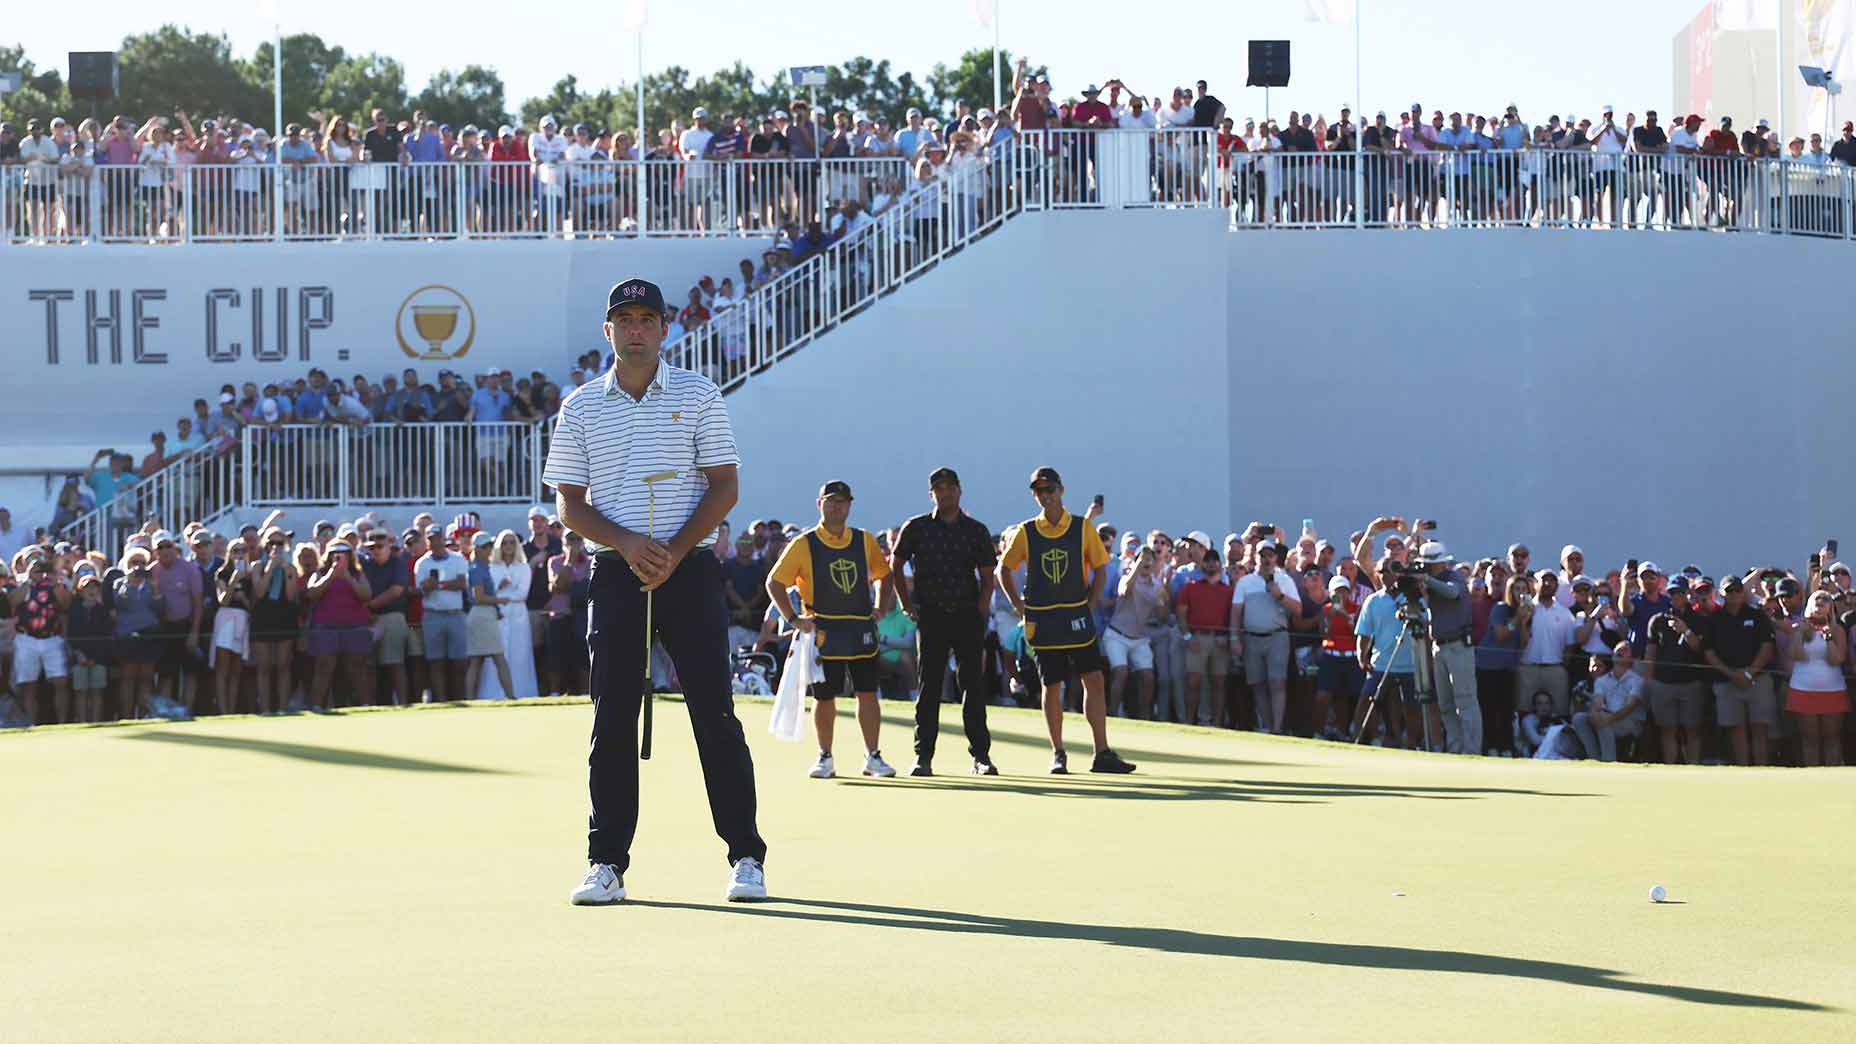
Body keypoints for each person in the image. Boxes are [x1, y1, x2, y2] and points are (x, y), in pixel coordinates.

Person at [547, 277, 766, 905]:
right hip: (617, 572)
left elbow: (725, 486)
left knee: (714, 715)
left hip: (689, 568)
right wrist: (627, 545)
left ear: (665, 329)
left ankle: (747, 855)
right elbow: (569, 504)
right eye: (626, 319)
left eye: (648, 318)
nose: (637, 328)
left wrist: (670, 550)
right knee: (611, 718)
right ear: (608, 330)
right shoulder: (582, 407)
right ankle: (606, 862)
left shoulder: (699, 394)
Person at [995, 467, 1137, 774]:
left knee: (1094, 680)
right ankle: (1058, 753)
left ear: (1061, 490)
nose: (1044, 496)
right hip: (1044, 620)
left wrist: (1091, 602)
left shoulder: (1081, 527)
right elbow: (1003, 569)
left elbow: (1100, 567)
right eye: (1038, 491)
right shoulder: (1027, 531)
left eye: (1049, 489)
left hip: (1076, 617)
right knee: (1052, 684)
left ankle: (1101, 752)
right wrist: (1018, 605)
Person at [766, 480, 899, 780]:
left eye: (842, 502)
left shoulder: (863, 540)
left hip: (860, 629)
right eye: (831, 501)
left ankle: (873, 756)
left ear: (850, 505)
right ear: (819, 504)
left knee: (867, 693)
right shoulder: (804, 543)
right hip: (823, 631)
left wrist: (879, 608)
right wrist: (793, 619)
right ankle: (825, 756)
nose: (837, 507)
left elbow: (885, 575)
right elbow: (775, 583)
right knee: (825, 697)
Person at [889, 467, 999, 776]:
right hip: (932, 616)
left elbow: (988, 577)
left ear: (959, 491)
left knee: (972, 687)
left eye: (950, 487)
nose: (945, 493)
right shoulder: (917, 528)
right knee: (930, 687)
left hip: (967, 616)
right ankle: (923, 756)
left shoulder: (975, 530)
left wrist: (979, 611)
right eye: (939, 488)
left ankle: (981, 756)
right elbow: (895, 564)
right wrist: (905, 604)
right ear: (931, 494)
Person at [1702, 575, 1778, 765]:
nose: (1734, 594)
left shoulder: (1757, 615)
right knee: (1736, 728)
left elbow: (1767, 647)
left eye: (1737, 590)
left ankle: (1762, 769)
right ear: (1721, 593)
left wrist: (1748, 673)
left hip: (1757, 678)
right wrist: (1732, 674)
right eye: (1729, 591)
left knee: (1760, 727)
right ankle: (1743, 769)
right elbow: (1709, 652)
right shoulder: (1714, 619)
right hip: (1727, 680)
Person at [1415, 541, 1480, 756]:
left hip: (1459, 646)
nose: (1427, 567)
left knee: (1466, 701)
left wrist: (1428, 581)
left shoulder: (1454, 577)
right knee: (1445, 704)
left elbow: (1452, 593)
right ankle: (1455, 749)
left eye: (1430, 564)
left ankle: (1471, 750)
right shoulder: (1431, 583)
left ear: (1441, 563)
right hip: (1439, 648)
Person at [1230, 540, 1300, 734]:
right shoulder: (1246, 582)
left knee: (1277, 682)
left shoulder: (1284, 580)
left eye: (1270, 555)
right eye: (1262, 555)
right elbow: (1236, 613)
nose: (1266, 559)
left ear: (1275, 558)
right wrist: (1235, 640)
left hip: (1277, 637)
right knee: (1258, 684)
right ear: (1256, 557)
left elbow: (1298, 610)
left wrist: (1279, 596)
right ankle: (1269, 727)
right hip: (1251, 639)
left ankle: (1277, 728)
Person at [1643, 576, 1707, 765]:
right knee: (1667, 729)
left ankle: (1693, 767)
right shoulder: (1658, 620)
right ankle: (1671, 767)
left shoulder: (1698, 620)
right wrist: (1649, 680)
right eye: (1672, 593)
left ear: (1688, 594)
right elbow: (1651, 652)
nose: (1676, 597)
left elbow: (1700, 649)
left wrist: (1685, 631)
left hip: (1691, 683)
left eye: (1680, 593)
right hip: (1663, 683)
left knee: (1692, 729)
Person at [305, 539, 374, 709]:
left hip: (354, 627)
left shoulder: (357, 574)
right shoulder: (320, 573)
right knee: (324, 668)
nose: (339, 557)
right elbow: (311, 593)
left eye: (344, 553)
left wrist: (348, 578)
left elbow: (366, 595)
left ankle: (366, 704)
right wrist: (331, 576)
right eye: (335, 553)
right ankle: (317, 706)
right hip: (326, 628)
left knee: (357, 668)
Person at [1784, 590, 1848, 766]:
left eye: (1825, 600)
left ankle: (1833, 777)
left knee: (1832, 738)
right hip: (1803, 689)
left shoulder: (1837, 630)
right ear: (1809, 605)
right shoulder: (1800, 628)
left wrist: (1828, 638)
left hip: (1832, 690)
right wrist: (1799, 635)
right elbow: (1795, 655)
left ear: (1830, 607)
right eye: (1816, 600)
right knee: (1809, 739)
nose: (1820, 602)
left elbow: (1837, 659)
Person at [9, 557, 72, 725]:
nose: (40, 572)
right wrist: (30, 580)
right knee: (28, 684)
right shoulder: (22, 583)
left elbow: (66, 604)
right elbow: (12, 602)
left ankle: (62, 723)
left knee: (60, 681)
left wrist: (54, 580)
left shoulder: (55, 584)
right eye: (36, 568)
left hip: (52, 638)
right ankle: (31, 723)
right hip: (26, 638)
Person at [479, 529, 539, 699]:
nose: (508, 546)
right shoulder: (492, 567)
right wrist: (500, 588)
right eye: (505, 542)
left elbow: (522, 594)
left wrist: (502, 594)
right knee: (497, 655)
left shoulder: (523, 567)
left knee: (520, 655)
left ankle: (521, 692)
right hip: (498, 615)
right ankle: (494, 694)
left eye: (512, 542)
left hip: (518, 615)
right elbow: (489, 594)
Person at [248, 527, 300, 715]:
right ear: (265, 545)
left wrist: (286, 573)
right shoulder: (257, 566)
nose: (275, 547)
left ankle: (283, 708)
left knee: (283, 665)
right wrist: (270, 569)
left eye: (280, 543)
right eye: (272, 543)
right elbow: (260, 592)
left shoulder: (291, 567)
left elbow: (291, 595)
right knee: (263, 666)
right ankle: (265, 709)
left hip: (284, 616)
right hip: (263, 616)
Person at [416, 530, 471, 702]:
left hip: (455, 614)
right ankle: (441, 700)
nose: (435, 543)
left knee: (459, 662)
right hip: (433, 615)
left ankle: (460, 698)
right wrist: (436, 586)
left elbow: (461, 584)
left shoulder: (458, 559)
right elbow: (422, 588)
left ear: (443, 539)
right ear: (427, 542)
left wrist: (438, 585)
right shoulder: (422, 563)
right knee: (435, 661)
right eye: (431, 540)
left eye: (437, 539)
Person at [1571, 642, 1644, 762]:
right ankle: (1594, 760)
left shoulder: (1637, 681)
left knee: (1604, 724)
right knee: (1579, 718)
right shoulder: (1602, 681)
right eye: (1618, 650)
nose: (1620, 652)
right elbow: (1597, 702)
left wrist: (1608, 718)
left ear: (1631, 658)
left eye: (1625, 650)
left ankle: (1608, 763)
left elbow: (1630, 707)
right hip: (1607, 716)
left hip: (1630, 721)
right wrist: (1595, 713)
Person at [465, 531, 516, 700]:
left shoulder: (482, 566)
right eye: (485, 547)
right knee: (498, 659)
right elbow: (479, 597)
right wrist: (500, 600)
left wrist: (496, 609)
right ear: (477, 549)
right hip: (481, 615)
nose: (489, 550)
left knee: (477, 661)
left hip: (484, 614)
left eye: (490, 546)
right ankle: (511, 697)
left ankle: (471, 699)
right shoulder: (476, 568)